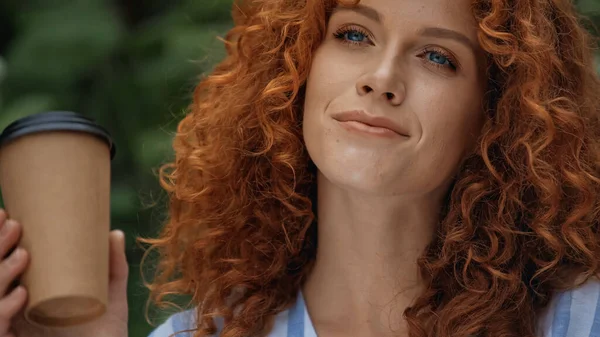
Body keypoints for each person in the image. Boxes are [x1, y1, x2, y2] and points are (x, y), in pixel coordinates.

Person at [2, 0, 600, 335]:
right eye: (355, 35)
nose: (381, 78)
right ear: (297, 72)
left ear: (496, 118)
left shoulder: (579, 321)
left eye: (438, 56)